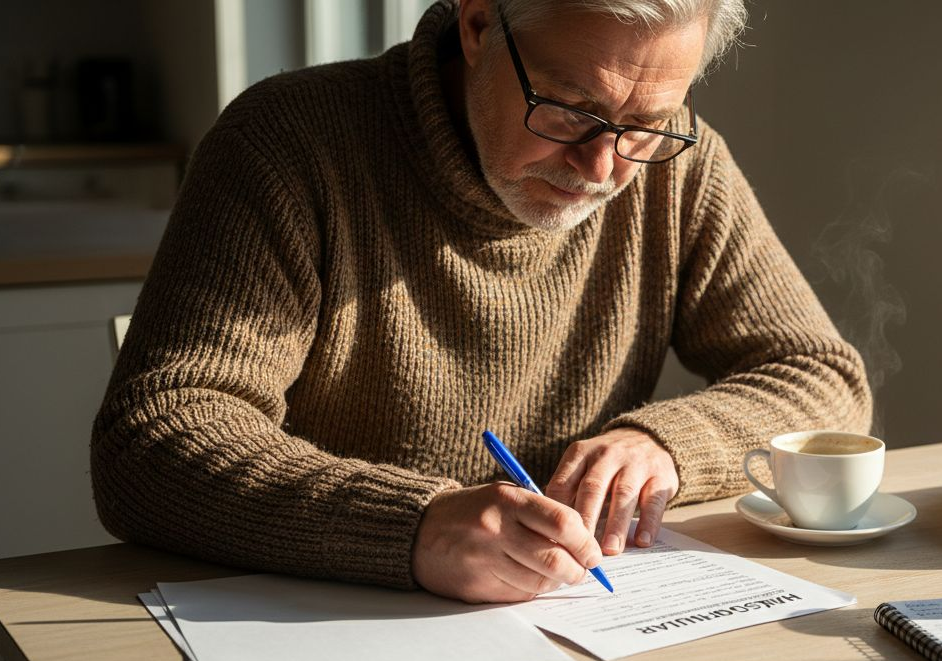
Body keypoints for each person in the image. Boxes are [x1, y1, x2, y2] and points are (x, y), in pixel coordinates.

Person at [90, 0, 872, 603]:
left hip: (571, 635)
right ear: (475, 23)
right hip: (324, 630)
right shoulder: (291, 143)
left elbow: (820, 380)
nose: (603, 166)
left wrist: (665, 445)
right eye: (568, 107)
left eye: (647, 124)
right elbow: (154, 440)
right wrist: (412, 527)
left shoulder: (678, 168)